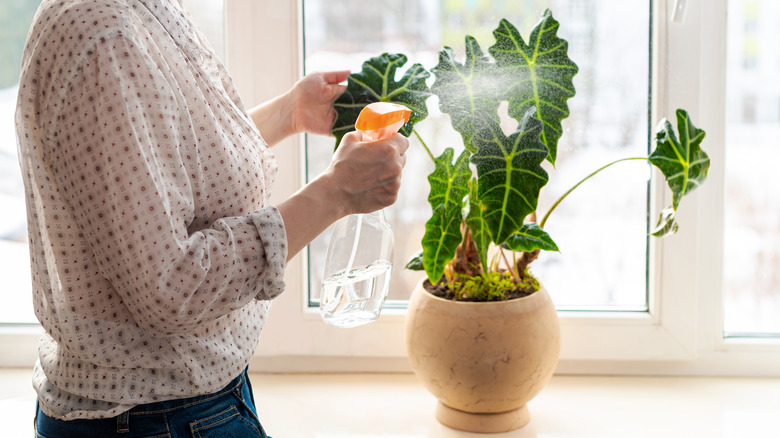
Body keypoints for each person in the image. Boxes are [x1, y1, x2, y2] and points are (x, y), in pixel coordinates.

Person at [15, 0, 408, 436]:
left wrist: (288, 113)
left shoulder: (148, 10)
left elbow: (159, 177)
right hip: (155, 418)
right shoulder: (105, 39)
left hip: (190, 403)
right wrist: (334, 194)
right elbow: (170, 288)